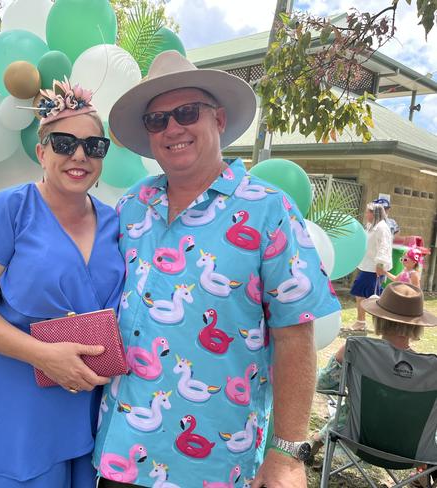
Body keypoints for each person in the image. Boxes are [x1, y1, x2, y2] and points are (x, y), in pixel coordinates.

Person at [93, 51, 341, 488]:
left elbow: (294, 336)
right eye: (157, 120)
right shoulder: (132, 207)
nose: (172, 128)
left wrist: (286, 455)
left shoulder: (268, 210)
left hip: (214, 467)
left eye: (186, 112)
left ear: (219, 119)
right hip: (123, 455)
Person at [0, 79, 125, 488]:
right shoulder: (8, 210)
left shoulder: (117, 222)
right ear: (42, 152)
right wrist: (43, 355)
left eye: (94, 147)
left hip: (83, 407)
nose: (79, 155)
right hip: (12, 406)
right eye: (64, 143)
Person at [311, 282, 436, 479]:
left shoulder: (355, 350)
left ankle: (315, 442)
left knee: (346, 412)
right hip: (410, 451)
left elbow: (323, 384)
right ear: (417, 327)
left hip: (356, 439)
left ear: (379, 319)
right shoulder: (429, 370)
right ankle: (423, 476)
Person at [349, 202, 393, 331]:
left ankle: (363, 322)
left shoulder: (381, 228)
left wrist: (380, 264)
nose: (366, 214)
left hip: (374, 267)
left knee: (366, 295)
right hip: (366, 265)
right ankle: (365, 322)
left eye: (368, 212)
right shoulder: (370, 226)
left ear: (374, 214)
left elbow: (384, 246)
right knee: (367, 295)